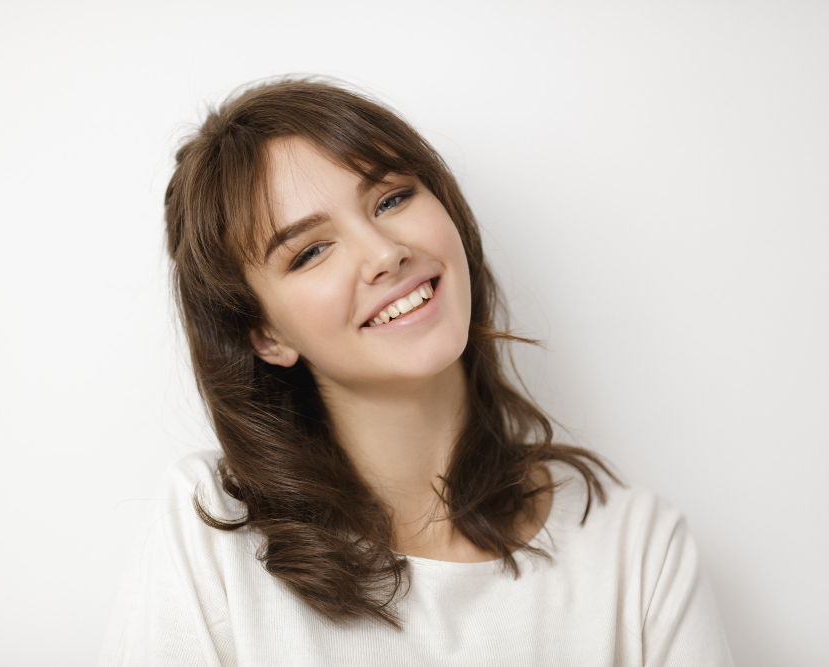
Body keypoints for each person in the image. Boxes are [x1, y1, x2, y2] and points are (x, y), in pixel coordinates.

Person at [98, 78, 734, 666]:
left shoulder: (635, 549)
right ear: (265, 335)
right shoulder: (211, 529)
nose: (384, 253)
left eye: (392, 198)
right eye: (310, 251)